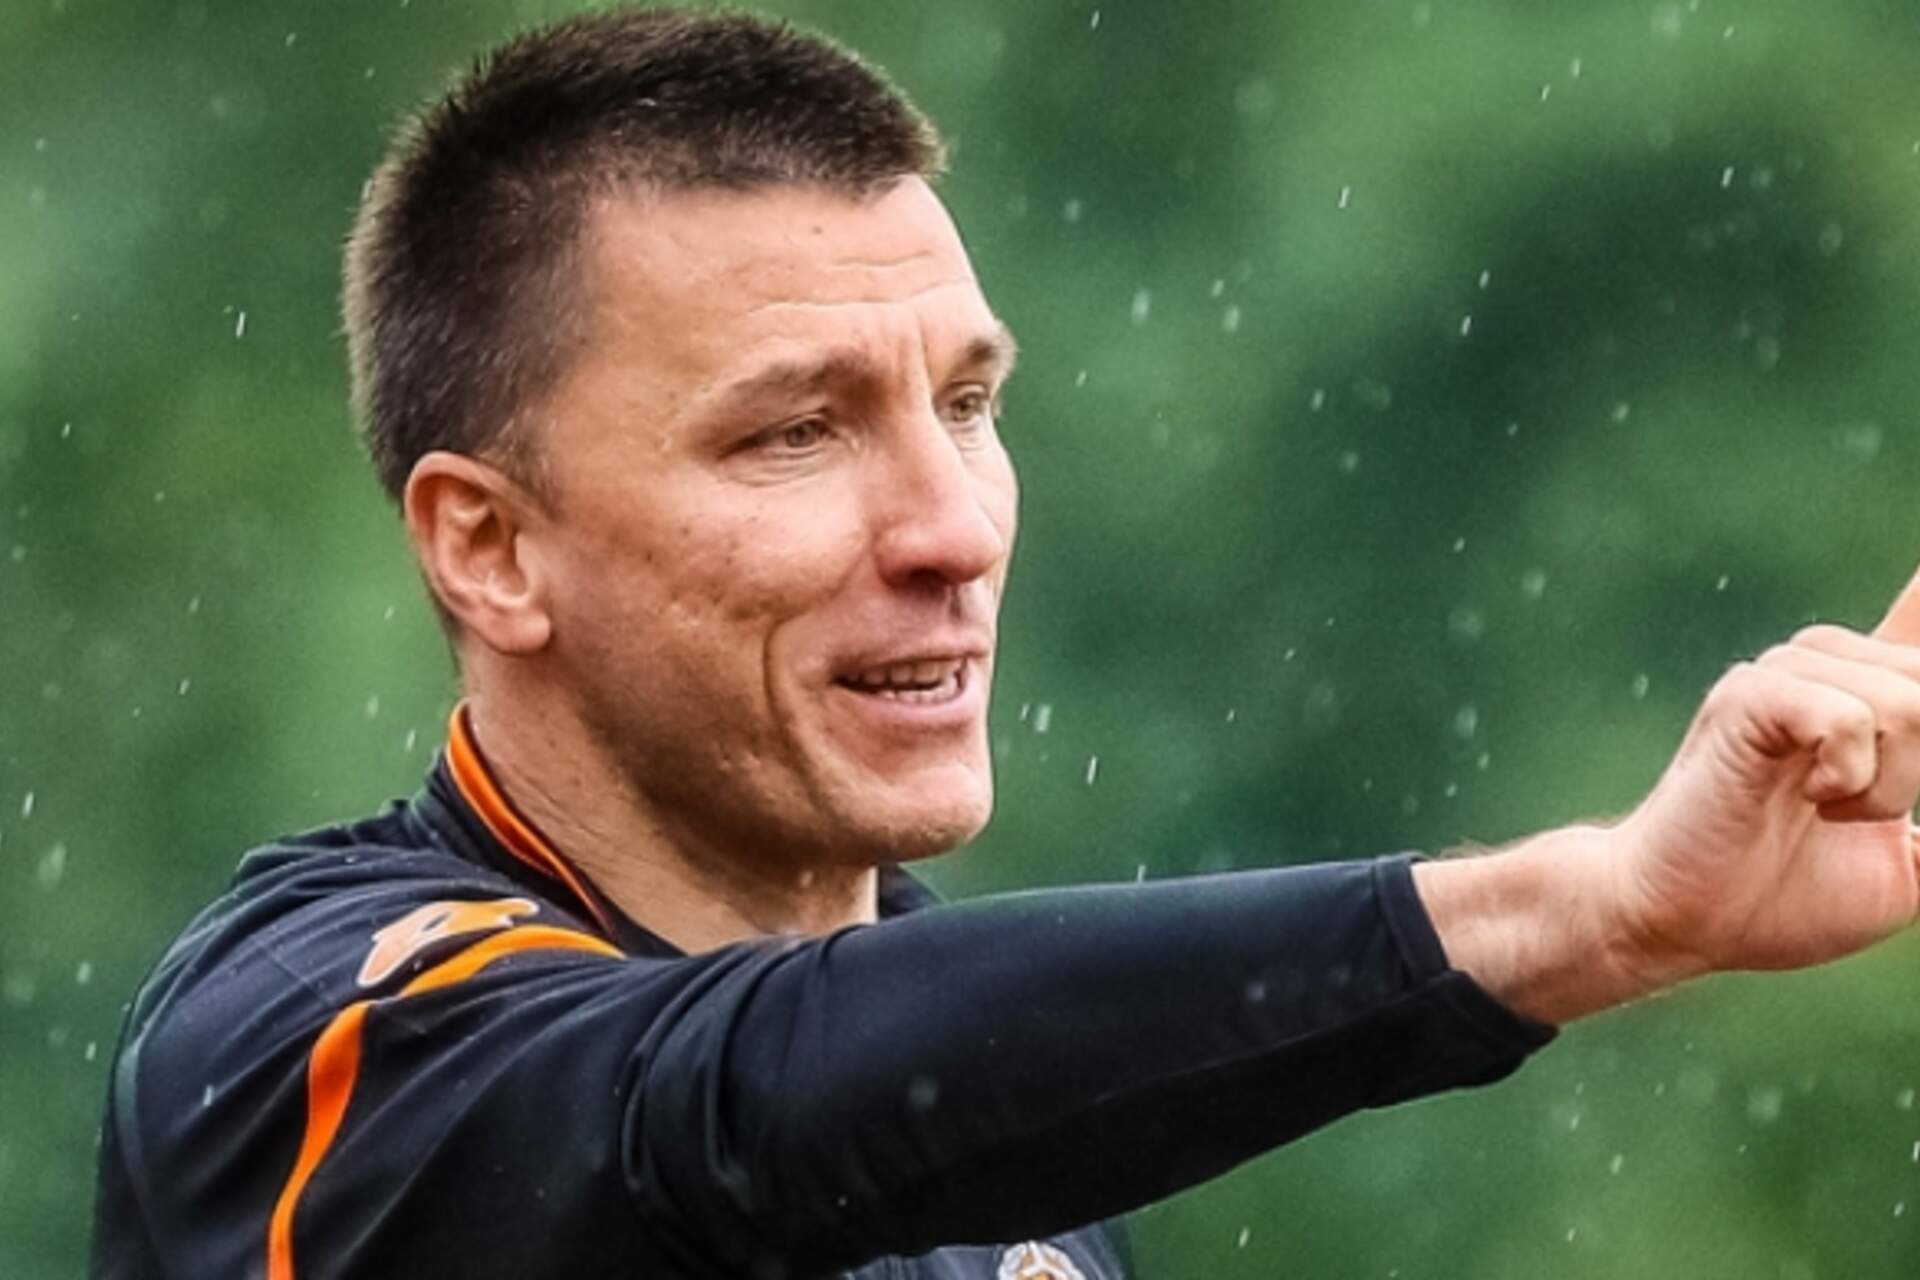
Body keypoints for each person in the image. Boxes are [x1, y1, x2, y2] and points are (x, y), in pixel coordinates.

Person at [89, 8, 1920, 1279]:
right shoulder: (310, 1046)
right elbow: (744, 1106)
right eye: (794, 431)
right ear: (491, 550)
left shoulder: (1016, 1137)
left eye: (967, 404)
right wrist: (1587, 912)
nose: (953, 530)